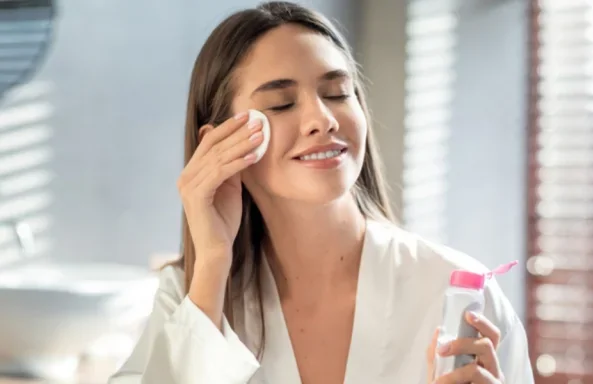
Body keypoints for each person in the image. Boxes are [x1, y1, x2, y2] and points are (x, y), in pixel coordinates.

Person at [108, 2, 534, 383]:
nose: (323, 118)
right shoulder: (189, 293)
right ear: (218, 145)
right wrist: (214, 262)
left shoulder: (456, 295)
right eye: (281, 103)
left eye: (337, 93)